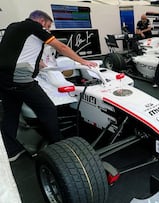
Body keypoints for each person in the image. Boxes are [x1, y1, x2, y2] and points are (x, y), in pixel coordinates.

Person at [0, 10, 97, 162]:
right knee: (48, 109)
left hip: (3, 79)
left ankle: (11, 151)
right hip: (20, 80)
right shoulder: (35, 28)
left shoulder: (13, 27)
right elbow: (62, 48)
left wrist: (38, 63)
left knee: (11, 114)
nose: (49, 30)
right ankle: (59, 147)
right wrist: (82, 61)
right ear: (42, 21)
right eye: (48, 26)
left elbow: (15, 50)